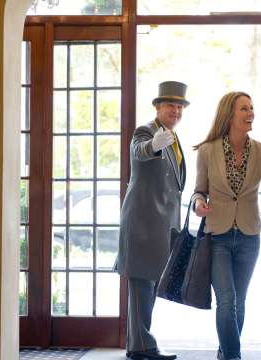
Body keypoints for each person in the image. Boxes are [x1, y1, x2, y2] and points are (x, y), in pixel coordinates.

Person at [191, 92, 261, 360]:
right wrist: (198, 204)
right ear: (229, 114)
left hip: (249, 236)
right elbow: (199, 191)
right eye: (244, 108)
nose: (251, 113)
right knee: (227, 300)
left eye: (252, 108)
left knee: (239, 303)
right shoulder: (208, 151)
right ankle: (234, 356)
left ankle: (225, 352)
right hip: (217, 235)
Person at [115, 81, 189, 360]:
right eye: (171, 104)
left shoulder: (174, 136)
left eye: (180, 106)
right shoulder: (147, 131)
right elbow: (139, 151)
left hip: (164, 225)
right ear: (158, 107)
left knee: (150, 286)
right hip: (143, 222)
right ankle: (140, 347)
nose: (176, 110)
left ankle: (141, 343)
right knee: (141, 284)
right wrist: (152, 147)